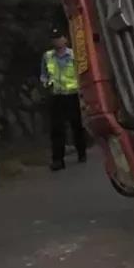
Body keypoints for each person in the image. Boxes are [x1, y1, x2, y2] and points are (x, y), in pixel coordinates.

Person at [40, 27, 86, 171]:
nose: (57, 41)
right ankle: (58, 160)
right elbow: (44, 74)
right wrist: (46, 84)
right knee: (57, 128)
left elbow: (82, 73)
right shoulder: (47, 56)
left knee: (77, 125)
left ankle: (81, 151)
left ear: (65, 39)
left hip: (73, 94)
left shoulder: (74, 55)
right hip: (56, 96)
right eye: (54, 39)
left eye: (59, 38)